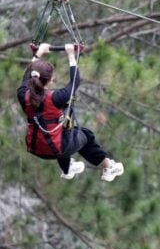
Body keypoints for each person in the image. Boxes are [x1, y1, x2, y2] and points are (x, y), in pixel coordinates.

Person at [17, 43, 124, 182]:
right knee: (85, 135)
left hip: (37, 149)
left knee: (64, 133)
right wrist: (71, 56)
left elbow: (27, 75)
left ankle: (67, 168)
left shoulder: (22, 95)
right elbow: (75, 81)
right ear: (49, 80)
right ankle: (108, 167)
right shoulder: (56, 98)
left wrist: (39, 53)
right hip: (57, 149)